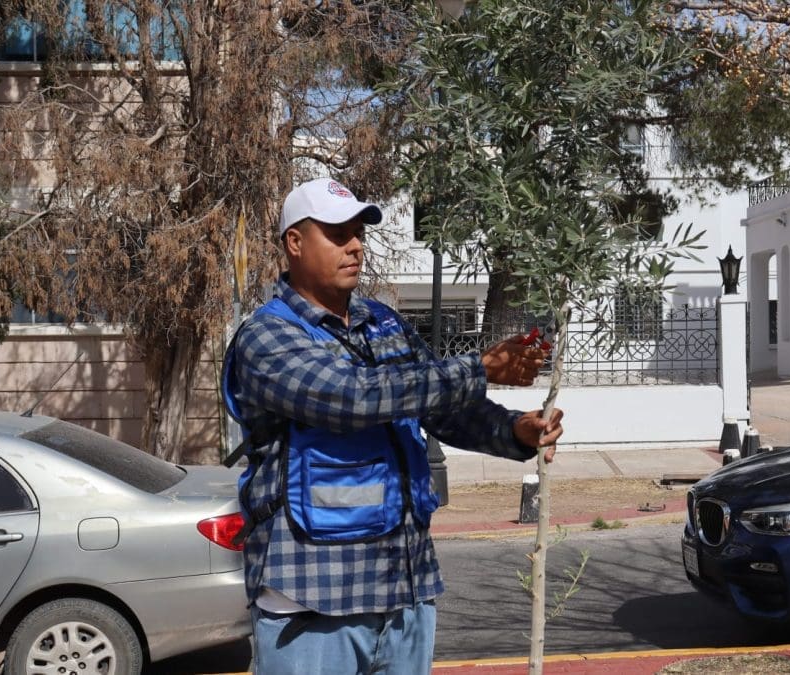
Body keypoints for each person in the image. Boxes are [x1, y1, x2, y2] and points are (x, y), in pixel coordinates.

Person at [221, 177, 564, 675]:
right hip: (312, 601)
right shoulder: (267, 337)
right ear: (294, 243)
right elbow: (349, 397)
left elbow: (439, 405)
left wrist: (514, 430)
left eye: (359, 233)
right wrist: (479, 368)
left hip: (405, 590)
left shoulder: (382, 322)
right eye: (337, 234)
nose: (355, 245)